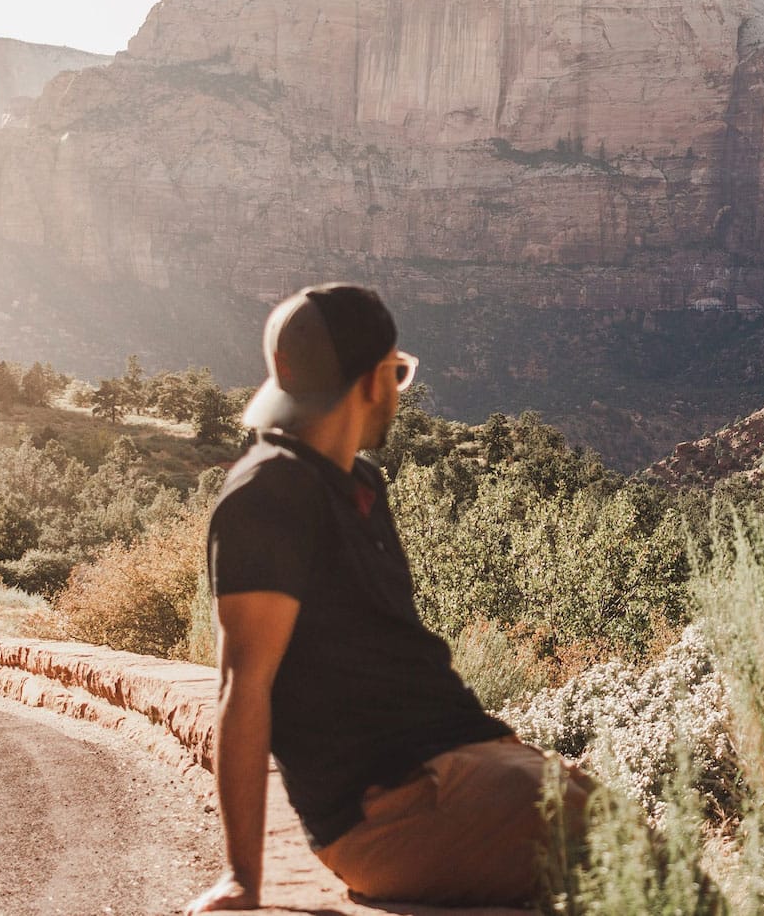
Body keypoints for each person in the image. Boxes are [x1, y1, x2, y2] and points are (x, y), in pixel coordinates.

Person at [182, 283, 592, 913]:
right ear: (374, 382)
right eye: (397, 374)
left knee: (627, 839)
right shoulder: (269, 493)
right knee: (624, 860)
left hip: (454, 765)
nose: (399, 392)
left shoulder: (358, 485)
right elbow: (243, 685)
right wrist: (244, 878)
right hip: (389, 805)